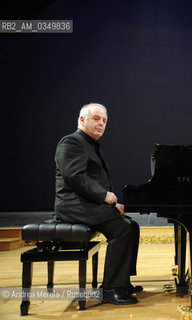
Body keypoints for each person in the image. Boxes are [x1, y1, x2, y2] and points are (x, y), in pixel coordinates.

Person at [54, 103, 141, 305]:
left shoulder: (90, 144)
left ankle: (122, 282)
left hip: (87, 204)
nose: (101, 123)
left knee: (132, 226)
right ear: (82, 120)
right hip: (74, 206)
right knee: (123, 229)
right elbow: (74, 177)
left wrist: (112, 205)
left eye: (104, 120)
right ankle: (110, 289)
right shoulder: (71, 142)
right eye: (96, 118)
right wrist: (104, 196)